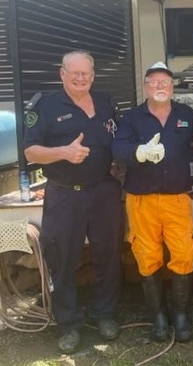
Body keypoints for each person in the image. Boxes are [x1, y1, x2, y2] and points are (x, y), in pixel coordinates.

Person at [23, 51, 123, 353]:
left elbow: (117, 140)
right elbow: (30, 153)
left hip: (104, 191)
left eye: (87, 73)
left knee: (109, 255)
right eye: (75, 73)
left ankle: (105, 314)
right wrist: (63, 152)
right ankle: (68, 324)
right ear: (62, 74)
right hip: (65, 193)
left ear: (93, 75)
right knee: (63, 260)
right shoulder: (45, 105)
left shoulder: (106, 102)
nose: (81, 79)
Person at [112, 62, 193, 343]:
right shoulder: (132, 118)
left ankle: (181, 314)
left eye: (165, 82)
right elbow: (118, 149)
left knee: (184, 254)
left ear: (173, 87)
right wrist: (140, 152)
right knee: (148, 257)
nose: (160, 86)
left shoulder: (186, 115)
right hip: (142, 200)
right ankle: (158, 317)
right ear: (145, 86)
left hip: (177, 198)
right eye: (154, 82)